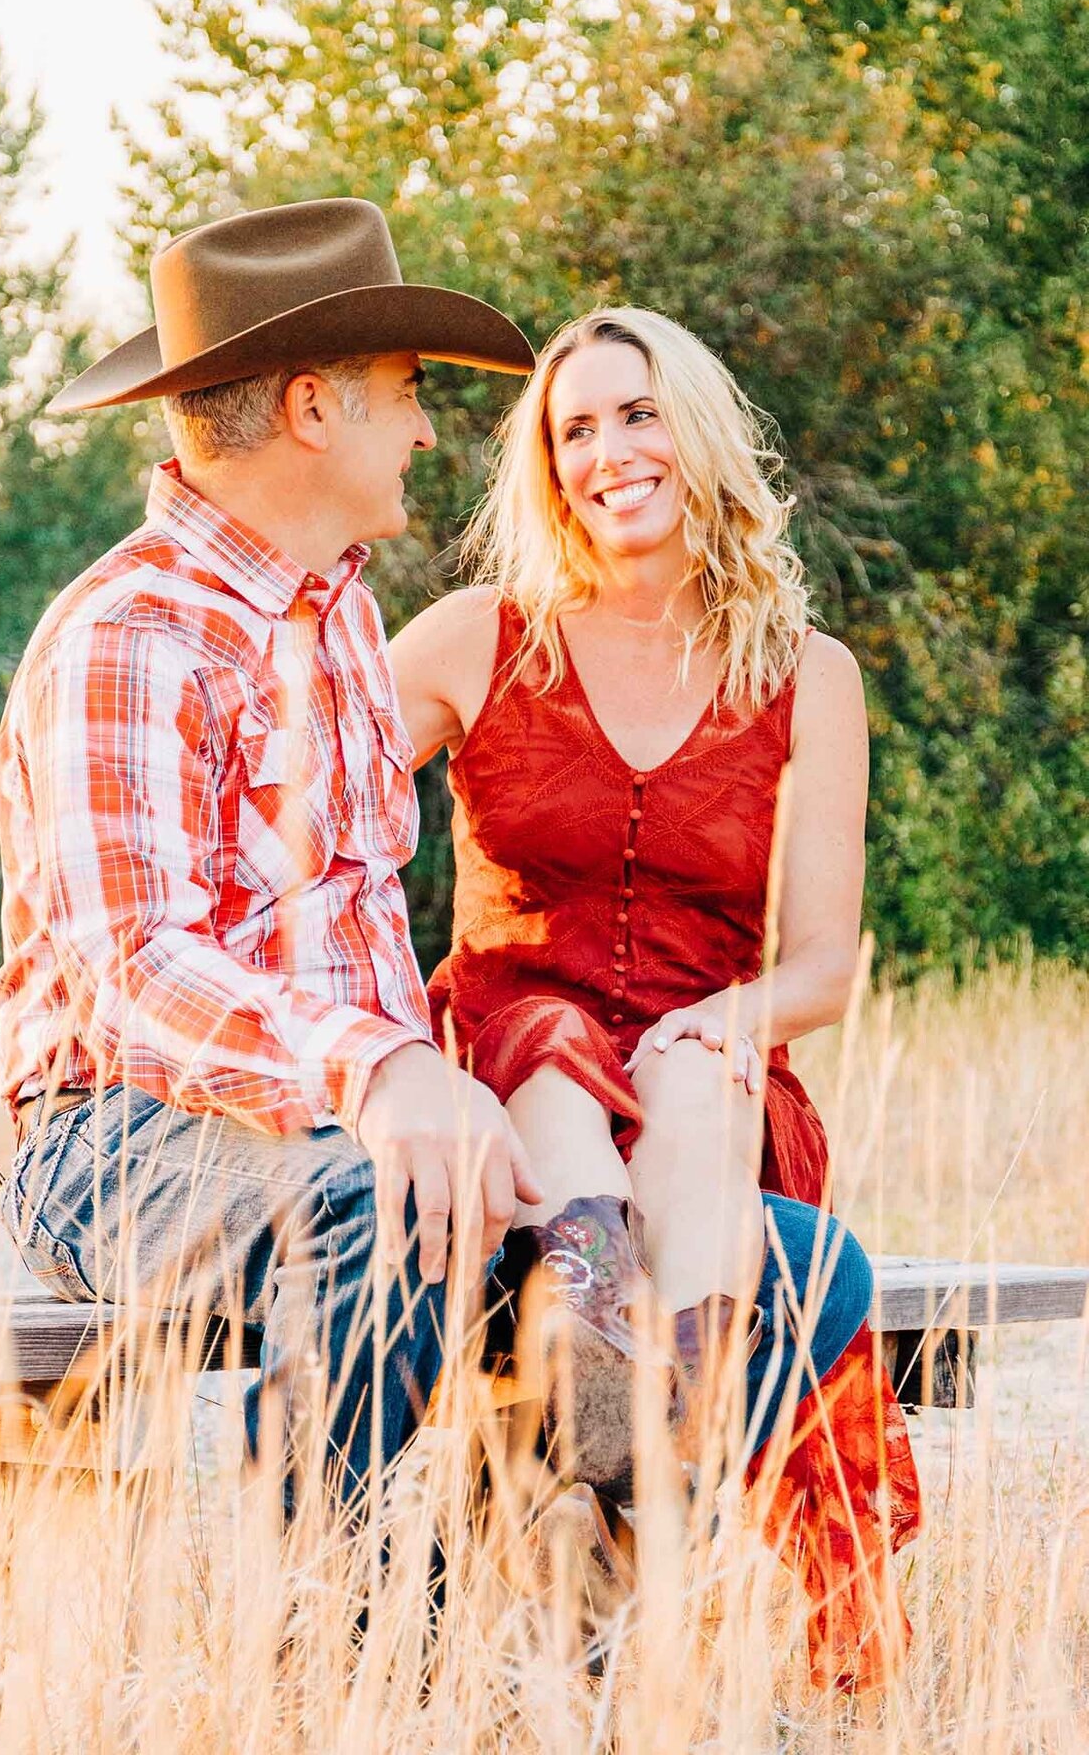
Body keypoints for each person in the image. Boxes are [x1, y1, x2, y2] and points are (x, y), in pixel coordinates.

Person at [390, 306, 922, 1687]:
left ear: (696, 435)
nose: (609, 449)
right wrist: (383, 1050)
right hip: (516, 1067)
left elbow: (818, 963)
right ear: (548, 469)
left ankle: (628, 1494)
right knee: (559, 1053)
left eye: (637, 415)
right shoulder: (474, 637)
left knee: (688, 1064)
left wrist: (729, 1022)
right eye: (576, 429)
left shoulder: (809, 677)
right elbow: (305, 822)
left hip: (713, 1096)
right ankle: (637, 1474)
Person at [0, 197, 545, 1514]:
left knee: (741, 1251)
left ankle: (558, 1619)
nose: (423, 427)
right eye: (406, 393)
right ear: (312, 409)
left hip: (339, 1127)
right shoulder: (128, 637)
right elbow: (135, 969)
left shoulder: (342, 611)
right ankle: (300, 1640)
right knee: (394, 1217)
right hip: (112, 1138)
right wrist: (384, 1071)